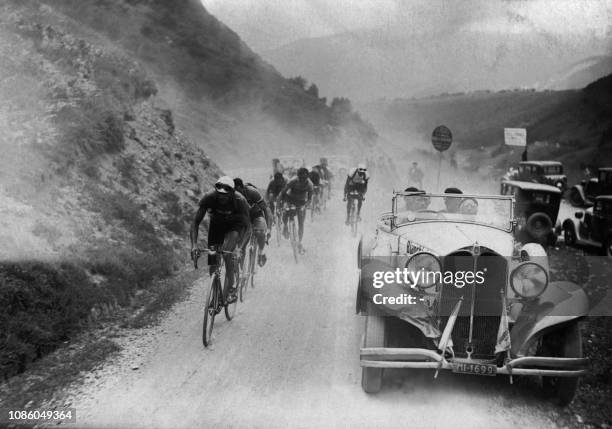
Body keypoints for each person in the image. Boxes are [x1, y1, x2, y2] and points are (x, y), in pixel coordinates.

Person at [190, 176, 251, 302]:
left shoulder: (240, 201)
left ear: (232, 193)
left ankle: (231, 289)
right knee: (213, 259)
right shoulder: (209, 197)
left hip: (234, 226)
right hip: (217, 226)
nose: (222, 197)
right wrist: (194, 245)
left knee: (227, 254)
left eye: (226, 194)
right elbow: (195, 222)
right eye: (219, 194)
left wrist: (240, 248)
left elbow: (248, 228)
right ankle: (215, 287)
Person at [233, 178, 272, 267]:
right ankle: (241, 270)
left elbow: (266, 209)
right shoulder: (232, 194)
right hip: (244, 217)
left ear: (241, 187)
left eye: (237, 190)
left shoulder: (252, 192)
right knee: (241, 244)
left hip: (256, 214)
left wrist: (268, 229)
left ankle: (260, 253)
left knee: (260, 232)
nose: (236, 193)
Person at [279, 167, 313, 253]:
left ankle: (299, 243)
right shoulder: (293, 180)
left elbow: (309, 198)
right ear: (298, 176)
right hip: (290, 199)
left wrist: (306, 205)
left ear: (307, 177)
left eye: (304, 178)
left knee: (301, 223)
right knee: (286, 212)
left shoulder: (310, 184)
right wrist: (280, 202)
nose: (302, 180)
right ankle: (285, 227)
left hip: (301, 202)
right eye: (300, 178)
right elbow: (283, 191)